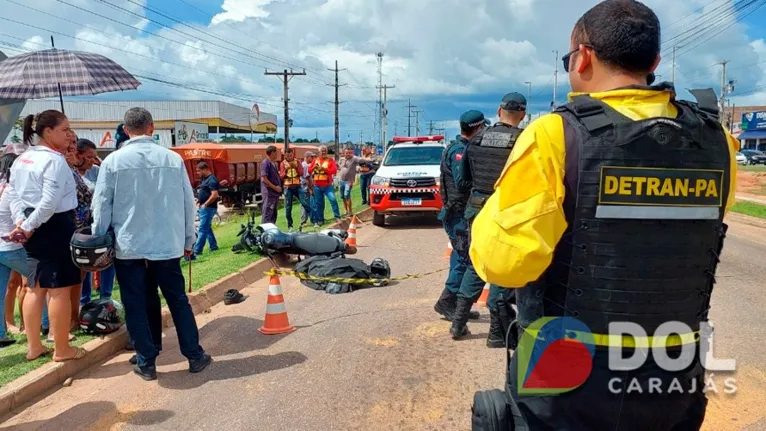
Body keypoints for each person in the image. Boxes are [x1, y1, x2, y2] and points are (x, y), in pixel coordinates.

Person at [470, 1, 739, 429]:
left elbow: (505, 265)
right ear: (652, 62)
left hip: (562, 355)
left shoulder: (555, 134)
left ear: (583, 56)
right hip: (675, 360)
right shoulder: (718, 141)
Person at [92, 107, 211, 381]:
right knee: (177, 300)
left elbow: (101, 206)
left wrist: (99, 236)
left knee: (137, 302)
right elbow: (186, 203)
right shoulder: (172, 159)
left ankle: (147, 360)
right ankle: (193, 355)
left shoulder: (112, 161)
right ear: (151, 127)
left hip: (129, 245)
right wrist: (188, 239)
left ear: (125, 129)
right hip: (166, 244)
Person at [7, 110, 84, 362]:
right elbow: (49, 202)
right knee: (58, 289)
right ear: (47, 131)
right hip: (54, 226)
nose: (69, 134)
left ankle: (34, 347)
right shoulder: (54, 160)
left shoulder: (22, 159)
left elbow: (13, 194)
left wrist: (22, 222)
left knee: (33, 288)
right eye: (65, 129)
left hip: (32, 223)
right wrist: (27, 226)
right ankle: (62, 349)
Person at [457, 93, 526, 348]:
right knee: (502, 267)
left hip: (476, 210)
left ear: (499, 112)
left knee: (477, 263)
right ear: (523, 115)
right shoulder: (523, 140)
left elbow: (462, 180)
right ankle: (497, 333)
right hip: (507, 211)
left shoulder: (476, 139)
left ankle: (458, 322)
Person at [434, 110, 488, 337]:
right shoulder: (459, 151)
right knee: (466, 260)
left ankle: (454, 301)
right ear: (477, 127)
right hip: (458, 214)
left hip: (460, 213)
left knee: (460, 257)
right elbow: (461, 182)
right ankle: (448, 301)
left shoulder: (465, 148)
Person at [76, 139, 116, 306]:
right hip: (78, 226)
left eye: (95, 157)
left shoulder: (97, 171)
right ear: (77, 155)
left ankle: (105, 297)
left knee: (105, 259)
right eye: (88, 157)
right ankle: (84, 300)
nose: (92, 160)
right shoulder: (69, 172)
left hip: (98, 222)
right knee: (84, 264)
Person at [0, 153, 27, 348]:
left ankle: (1, 334)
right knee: (41, 281)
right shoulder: (12, 191)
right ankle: (45, 324)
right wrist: (22, 227)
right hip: (12, 246)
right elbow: (19, 214)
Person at [309, 145, 341, 226]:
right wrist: (313, 168)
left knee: (333, 199)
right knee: (319, 203)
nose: (324, 152)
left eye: (325, 151)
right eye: (322, 151)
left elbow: (334, 171)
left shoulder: (330, 160)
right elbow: (309, 171)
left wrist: (324, 169)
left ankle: (337, 217)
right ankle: (320, 220)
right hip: (317, 186)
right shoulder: (315, 160)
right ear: (319, 152)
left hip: (327, 186)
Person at [192, 161, 219, 256]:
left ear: (205, 169)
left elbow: (214, 195)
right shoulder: (204, 179)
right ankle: (213, 246)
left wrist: (206, 204)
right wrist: (199, 201)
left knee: (202, 229)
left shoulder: (212, 179)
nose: (198, 173)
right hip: (203, 207)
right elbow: (204, 192)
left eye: (199, 171)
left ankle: (197, 250)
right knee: (207, 229)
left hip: (208, 208)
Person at [280, 148, 310, 231]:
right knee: (288, 207)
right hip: (288, 187)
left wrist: (295, 167)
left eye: (290, 155)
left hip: (297, 185)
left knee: (304, 202)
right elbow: (281, 176)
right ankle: (290, 226)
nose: (289, 157)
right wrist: (286, 171)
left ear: (293, 154)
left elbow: (301, 173)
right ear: (285, 155)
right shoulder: (283, 163)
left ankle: (314, 220)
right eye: (287, 156)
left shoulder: (298, 162)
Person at [337, 146, 370, 217]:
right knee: (342, 196)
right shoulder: (341, 159)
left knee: (347, 195)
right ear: (344, 153)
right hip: (341, 180)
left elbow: (363, 160)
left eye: (349, 153)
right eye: (346, 153)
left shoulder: (354, 158)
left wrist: (368, 158)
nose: (348, 154)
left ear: (352, 153)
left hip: (349, 181)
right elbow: (339, 167)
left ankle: (350, 211)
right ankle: (345, 210)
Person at [260, 145, 282, 224]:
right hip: (269, 193)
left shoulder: (273, 163)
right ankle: (265, 231)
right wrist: (275, 187)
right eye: (276, 152)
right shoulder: (265, 163)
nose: (277, 154)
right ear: (272, 152)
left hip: (274, 194)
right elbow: (264, 179)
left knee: (273, 213)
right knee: (267, 213)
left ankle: (272, 230)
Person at [300, 151, 316, 228]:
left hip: (303, 187)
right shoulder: (305, 166)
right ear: (307, 157)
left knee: (306, 203)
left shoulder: (303, 164)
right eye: (311, 157)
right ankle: (304, 221)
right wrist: (310, 189)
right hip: (305, 188)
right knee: (305, 204)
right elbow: (306, 179)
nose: (312, 158)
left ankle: (309, 219)